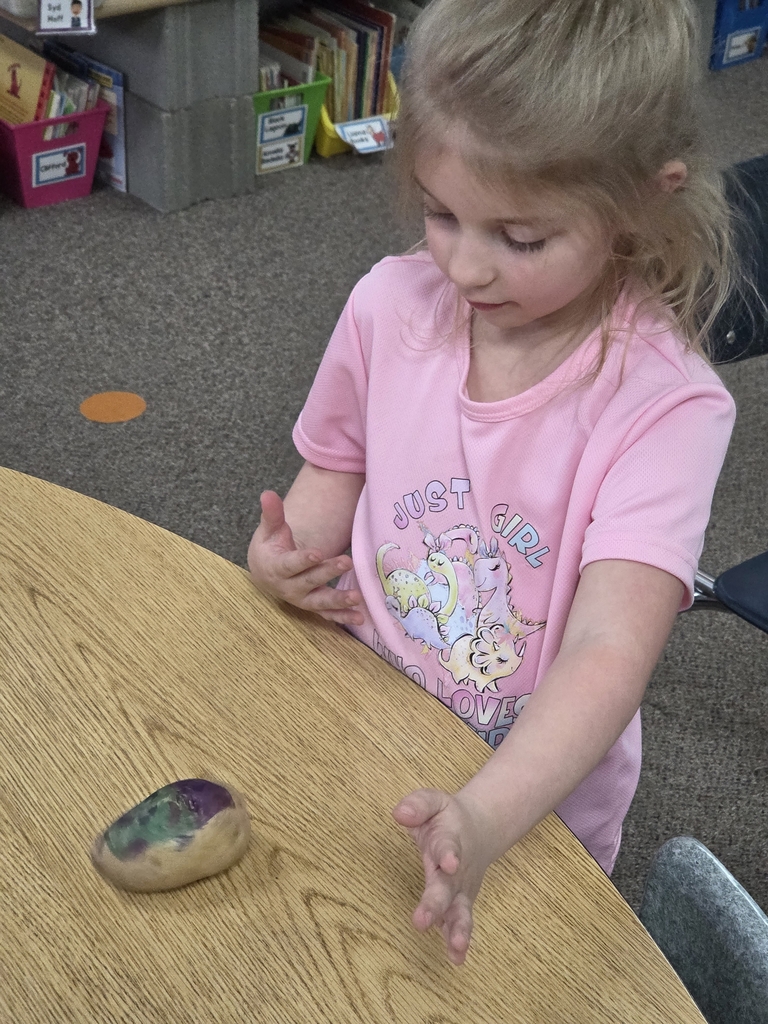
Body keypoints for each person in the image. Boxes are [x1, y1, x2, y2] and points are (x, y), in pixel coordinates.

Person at [248, 0, 739, 965]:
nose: (465, 266)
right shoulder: (389, 305)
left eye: (521, 238)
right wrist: (284, 561)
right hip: (350, 726)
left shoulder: (669, 406)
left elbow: (608, 649)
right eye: (441, 215)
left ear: (645, 200)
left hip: (525, 810)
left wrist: (483, 818)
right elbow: (331, 472)